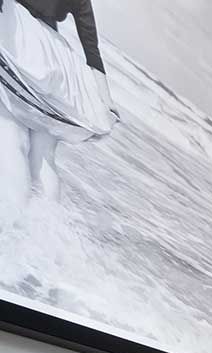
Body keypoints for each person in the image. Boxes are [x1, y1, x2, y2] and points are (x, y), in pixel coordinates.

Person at [0, 0, 115, 203]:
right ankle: (46, 224)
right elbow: (92, 51)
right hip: (54, 63)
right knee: (44, 157)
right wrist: (106, 104)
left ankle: (12, 218)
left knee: (11, 140)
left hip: (18, 47)